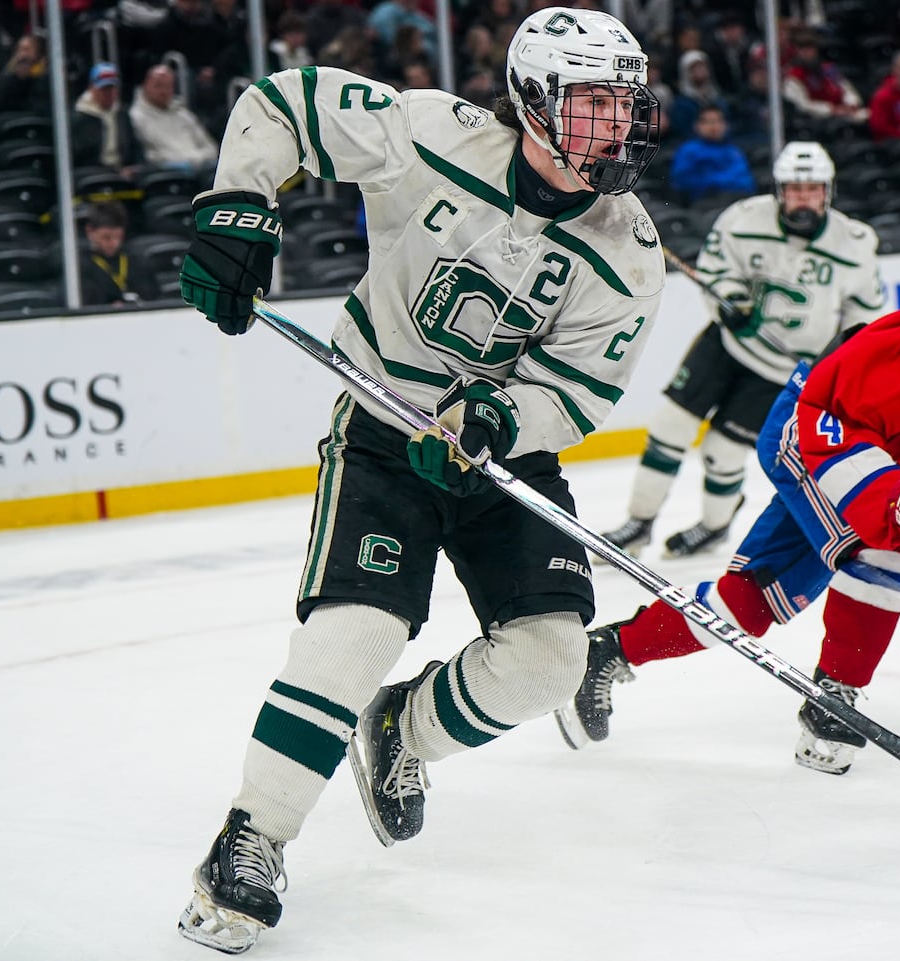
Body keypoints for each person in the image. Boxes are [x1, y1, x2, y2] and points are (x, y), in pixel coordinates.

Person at [174, 7, 663, 954]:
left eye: (625, 105)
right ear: (532, 98)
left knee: (553, 657)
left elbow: (580, 386)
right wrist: (238, 205)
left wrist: (496, 421)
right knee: (356, 633)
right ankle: (251, 838)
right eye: (593, 103)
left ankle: (404, 728)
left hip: (499, 456)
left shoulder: (628, 246)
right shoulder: (431, 135)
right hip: (384, 435)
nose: (616, 126)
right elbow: (284, 103)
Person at [555, 250, 900, 776]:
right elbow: (831, 445)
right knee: (892, 550)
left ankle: (611, 650)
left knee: (751, 600)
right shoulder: (870, 361)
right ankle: (832, 697)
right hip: (807, 440)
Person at [600, 141, 883, 560]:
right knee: (669, 427)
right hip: (726, 344)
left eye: (812, 189)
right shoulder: (743, 219)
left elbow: (864, 317)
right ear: (779, 190)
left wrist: (835, 358)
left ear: (828, 192)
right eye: (794, 189)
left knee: (723, 451)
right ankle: (638, 523)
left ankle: (714, 527)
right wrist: (731, 301)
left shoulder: (855, 243)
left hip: (782, 370)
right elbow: (718, 271)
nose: (803, 198)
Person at [128, 63, 218, 170]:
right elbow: (150, 156)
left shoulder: (183, 113)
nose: (163, 91)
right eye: (158, 85)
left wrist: (196, 160)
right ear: (145, 85)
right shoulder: (136, 117)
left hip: (201, 166)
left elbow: (210, 147)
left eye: (168, 86)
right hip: (167, 171)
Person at [667, 104, 754, 204]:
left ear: (725, 125)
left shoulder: (733, 151)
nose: (713, 126)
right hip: (703, 205)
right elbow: (681, 181)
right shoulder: (688, 150)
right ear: (697, 125)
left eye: (717, 121)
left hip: (736, 202)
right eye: (707, 122)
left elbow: (746, 181)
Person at [71, 62, 142, 175]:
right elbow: (81, 158)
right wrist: (114, 171)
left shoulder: (122, 115)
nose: (108, 93)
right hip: (92, 173)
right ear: (92, 88)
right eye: (104, 89)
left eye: (112, 88)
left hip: (124, 172)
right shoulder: (78, 118)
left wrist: (135, 167)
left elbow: (135, 148)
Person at [78, 200, 142, 306]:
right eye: (106, 237)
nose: (114, 243)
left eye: (119, 237)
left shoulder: (137, 262)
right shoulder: (79, 266)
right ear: (89, 231)